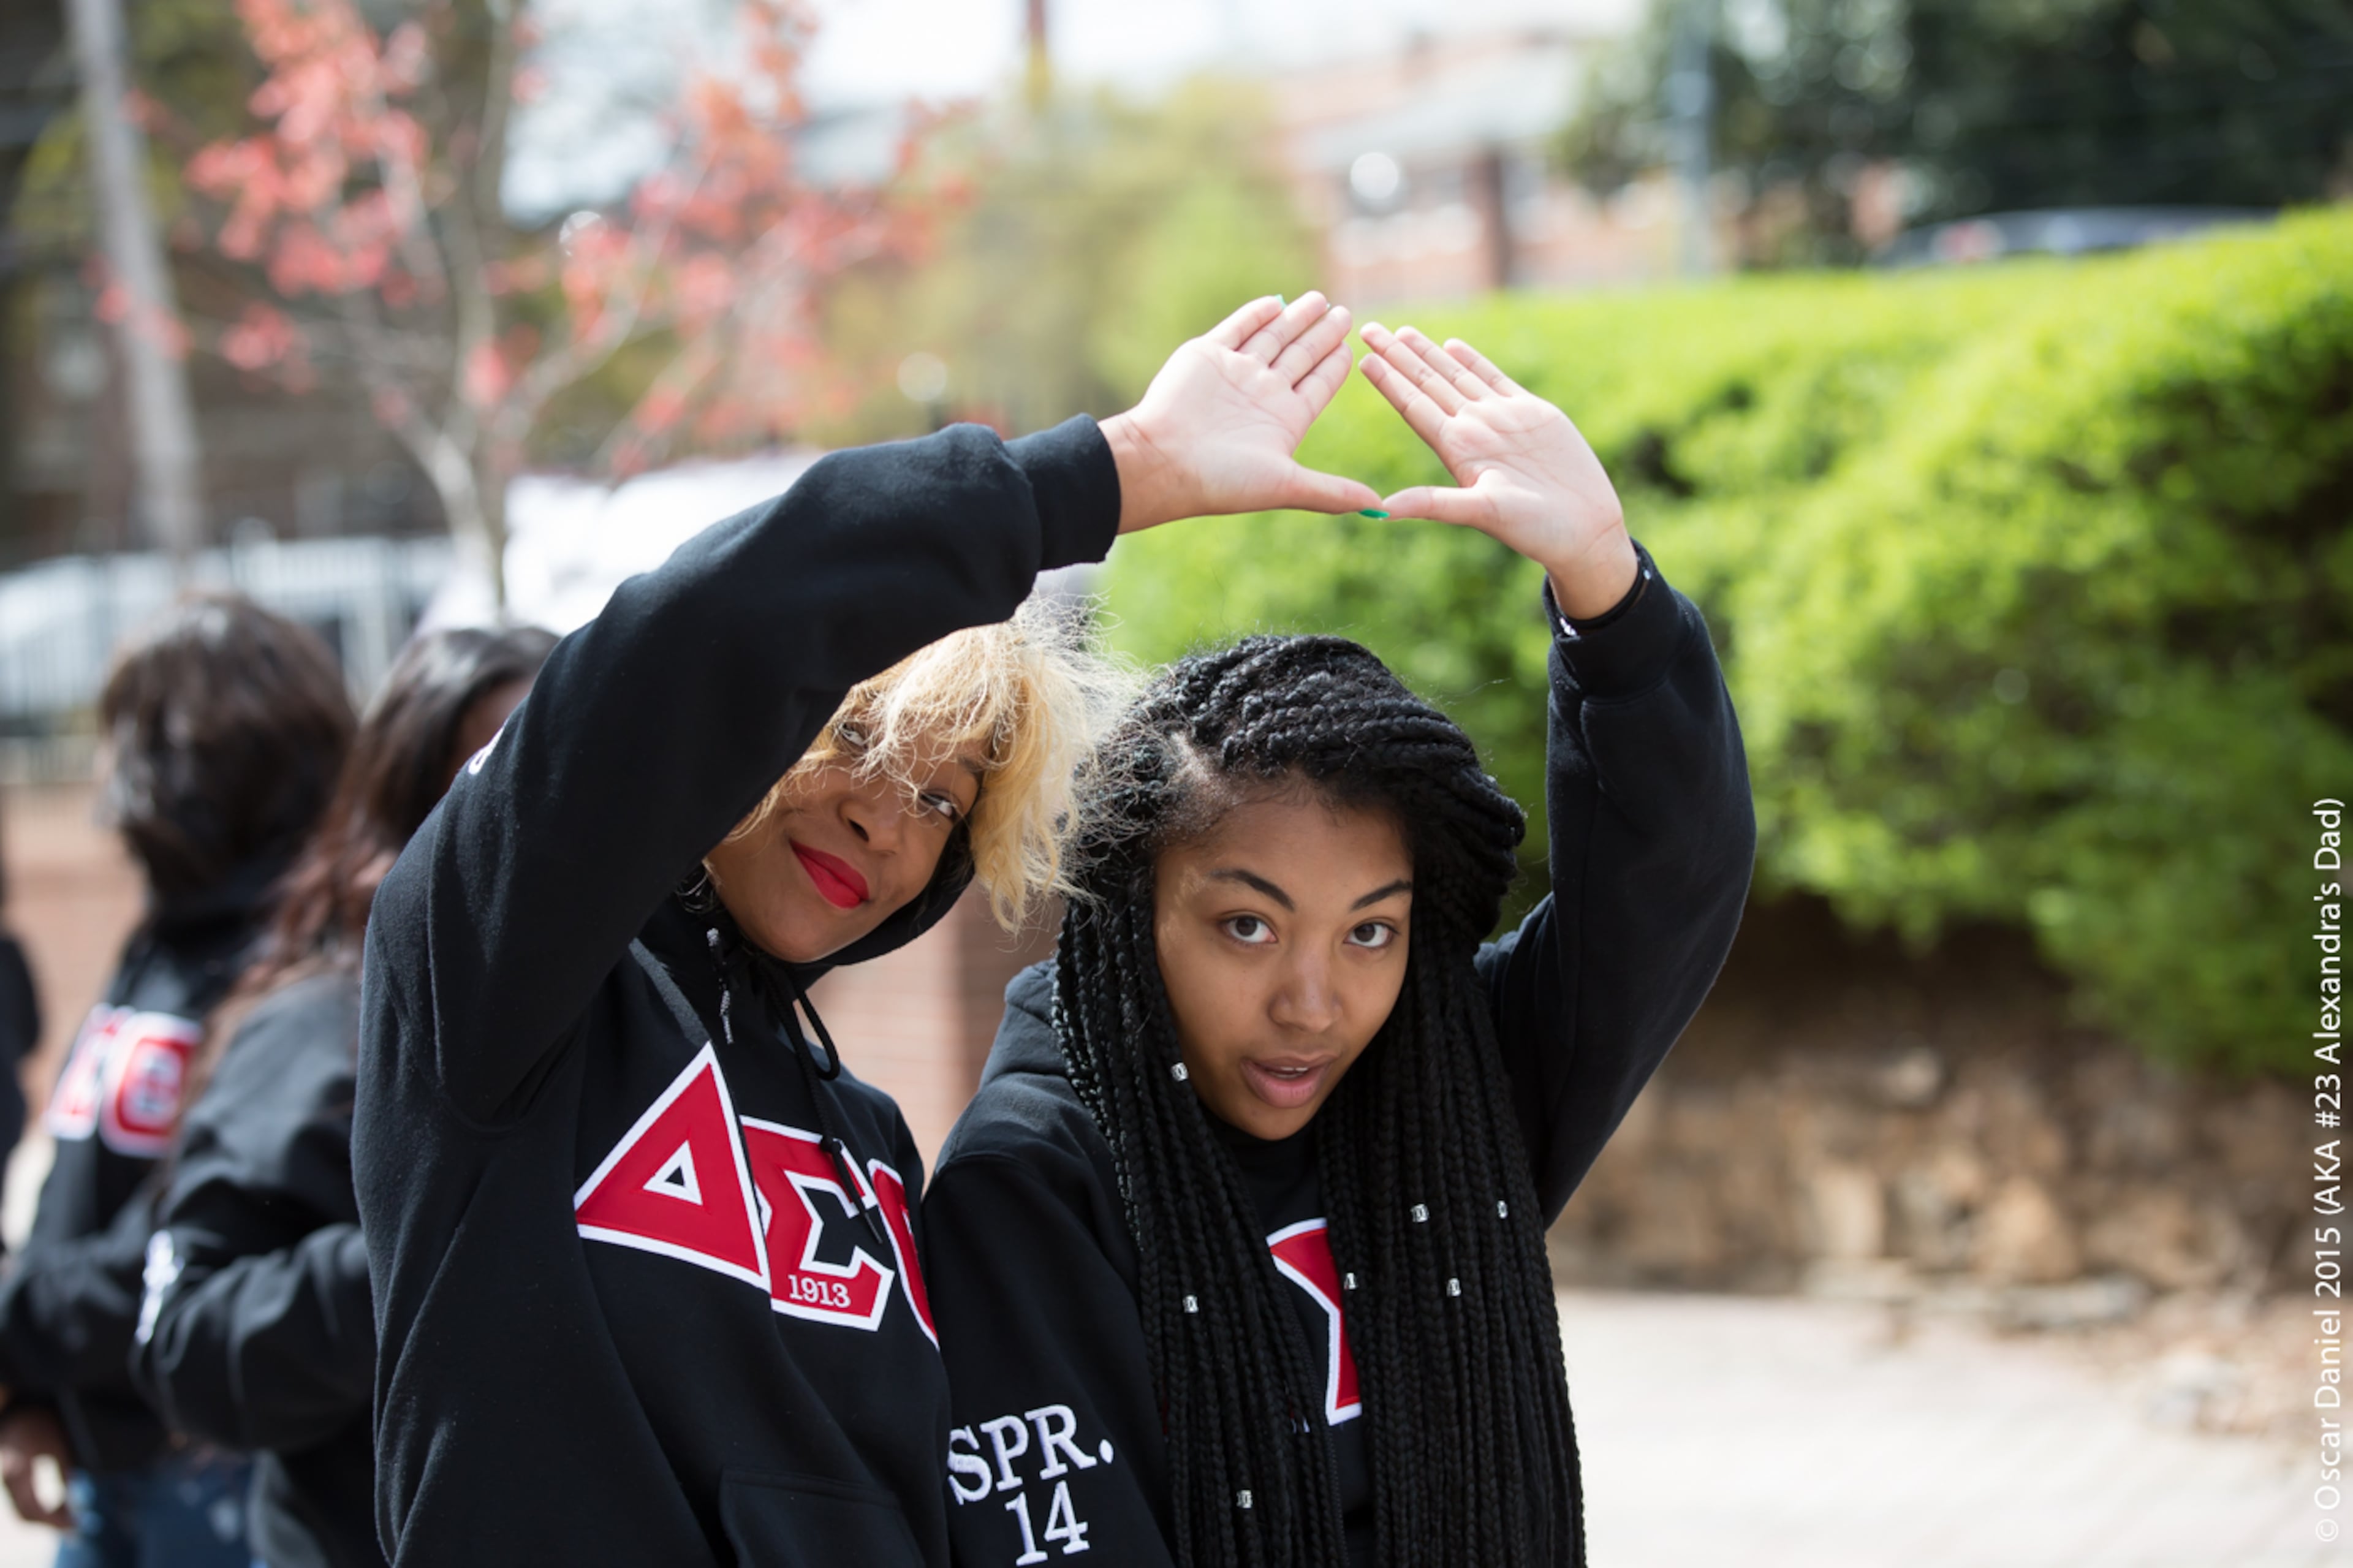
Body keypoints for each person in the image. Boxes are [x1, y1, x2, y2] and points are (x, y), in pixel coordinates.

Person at [350, 294, 1387, 1566]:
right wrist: (1103, 475)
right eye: (858, 736)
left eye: (945, 800)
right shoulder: (509, 994)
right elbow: (699, 636)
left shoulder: (874, 1147)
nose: (886, 821)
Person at [918, 322, 1757, 1568]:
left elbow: (1663, 895)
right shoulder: (1037, 1177)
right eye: (1247, 924)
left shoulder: (1447, 1088)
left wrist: (1608, 593)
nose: (1313, 1000)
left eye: (1371, 930)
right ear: (1130, 912)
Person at [131, 626, 555, 1568]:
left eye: (573, 764)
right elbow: (188, 1342)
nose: (543, 808)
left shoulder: (643, 1027)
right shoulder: (327, 1025)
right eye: (497, 765)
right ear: (411, 797)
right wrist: (433, 1250)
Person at [0, 595, 355, 1566]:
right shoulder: (164, 941)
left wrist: (13, 1329)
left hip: (219, 1476)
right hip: (105, 1465)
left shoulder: (293, 965)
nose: (107, 777)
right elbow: (85, 1186)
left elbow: (178, 1250)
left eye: (126, 741)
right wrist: (33, 1396)